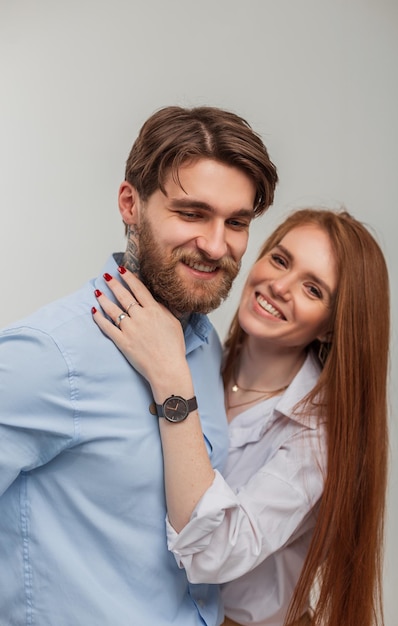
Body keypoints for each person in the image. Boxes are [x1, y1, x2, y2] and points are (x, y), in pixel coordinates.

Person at [0, 105, 278, 625]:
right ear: (131, 203)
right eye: (192, 213)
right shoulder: (50, 355)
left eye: (236, 222)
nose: (217, 245)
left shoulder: (205, 345)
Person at [92, 208, 390, 626]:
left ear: (330, 327)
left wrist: (170, 380)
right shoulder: (203, 355)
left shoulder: (315, 441)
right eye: (281, 260)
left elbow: (213, 553)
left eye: (312, 289)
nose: (280, 286)